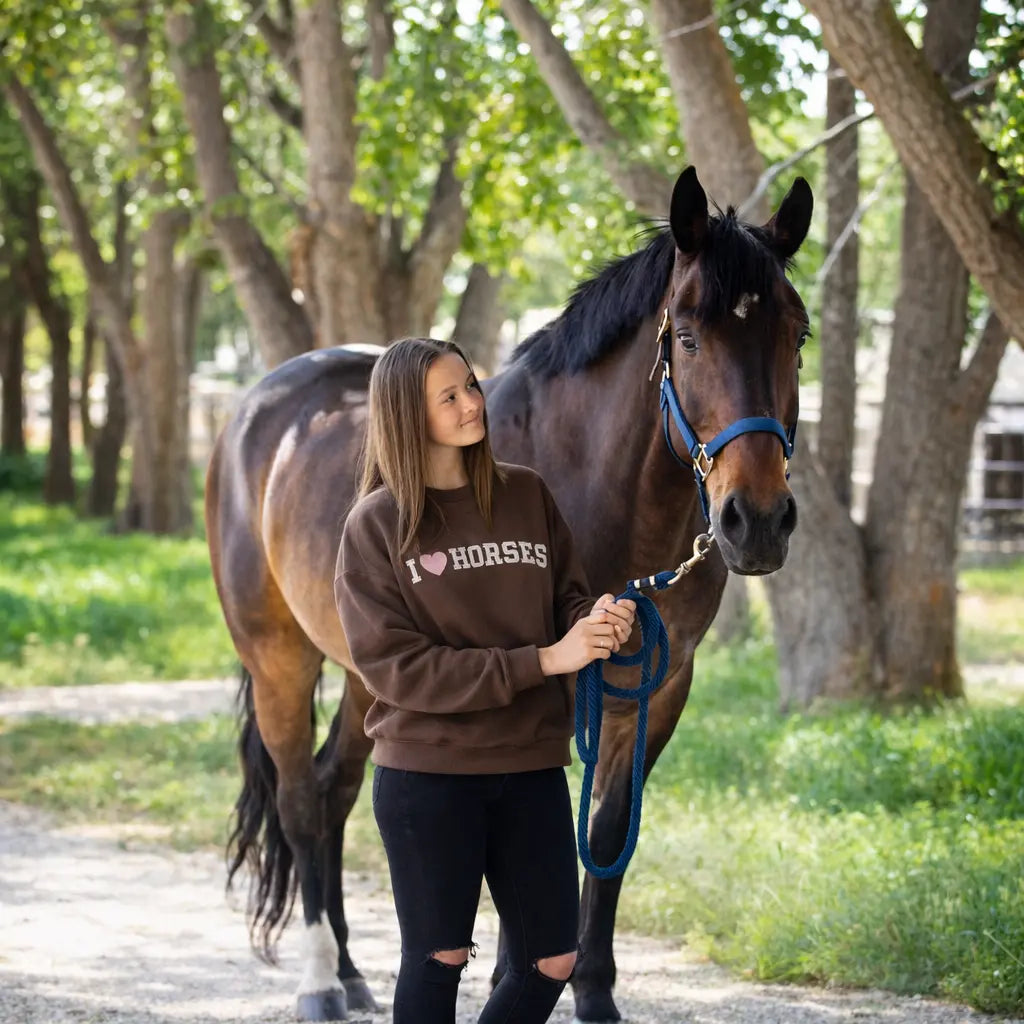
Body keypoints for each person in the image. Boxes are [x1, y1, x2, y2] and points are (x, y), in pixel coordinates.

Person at [334, 337, 636, 1024]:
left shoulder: (526, 493)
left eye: (471, 384)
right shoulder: (377, 525)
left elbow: (567, 595)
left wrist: (596, 622)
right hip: (429, 776)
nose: (474, 402)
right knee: (439, 960)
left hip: (530, 763)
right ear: (407, 415)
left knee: (553, 958)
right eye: (450, 396)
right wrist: (544, 661)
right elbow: (396, 668)